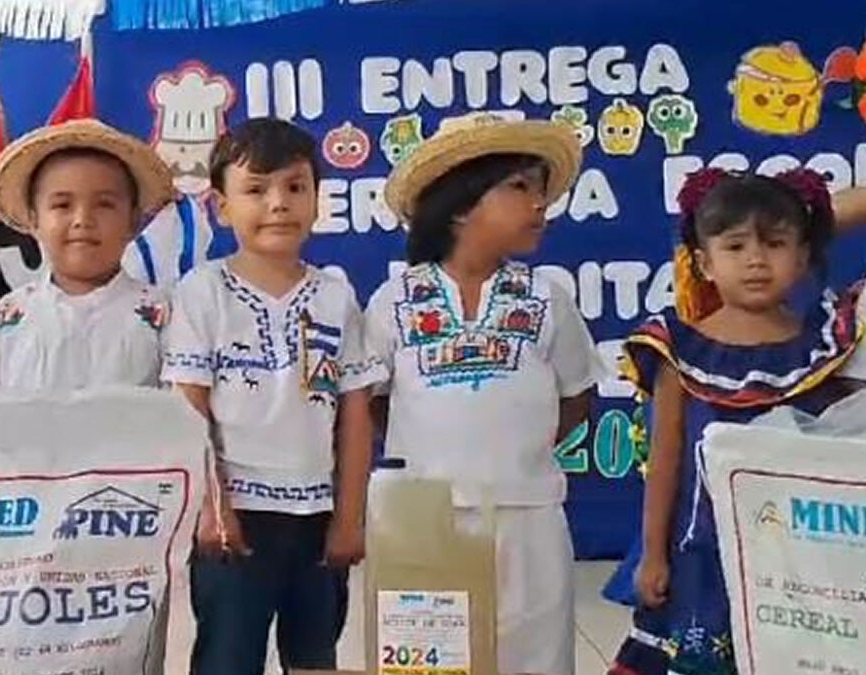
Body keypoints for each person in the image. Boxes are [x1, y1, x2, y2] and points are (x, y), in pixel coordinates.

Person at [365, 112, 600, 675]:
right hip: (425, 517)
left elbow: (576, 396)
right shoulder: (394, 299)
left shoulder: (546, 298)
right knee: (430, 660)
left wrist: (517, 455)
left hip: (529, 515)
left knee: (534, 657)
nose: (539, 203)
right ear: (462, 201)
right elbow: (372, 400)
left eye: (542, 190)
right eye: (520, 187)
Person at [607, 168, 862, 675]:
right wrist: (653, 554)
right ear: (703, 261)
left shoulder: (829, 345)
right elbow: (665, 458)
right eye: (735, 245)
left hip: (800, 560)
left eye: (775, 242)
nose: (756, 260)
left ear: (804, 255)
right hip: (699, 552)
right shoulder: (679, 347)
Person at [162, 118, 384, 675]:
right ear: (221, 206)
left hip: (316, 517)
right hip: (237, 519)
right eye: (256, 190)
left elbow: (354, 412)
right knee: (228, 658)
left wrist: (349, 517)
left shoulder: (335, 296)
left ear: (316, 199)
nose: (278, 204)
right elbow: (188, 406)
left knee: (314, 656)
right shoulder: (203, 291)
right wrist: (212, 508)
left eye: (294, 187)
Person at [0, 120, 174, 396]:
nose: (82, 220)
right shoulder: (6, 317)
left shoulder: (162, 316)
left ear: (133, 221)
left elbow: (180, 414)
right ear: (34, 220)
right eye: (62, 205)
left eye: (105, 204)